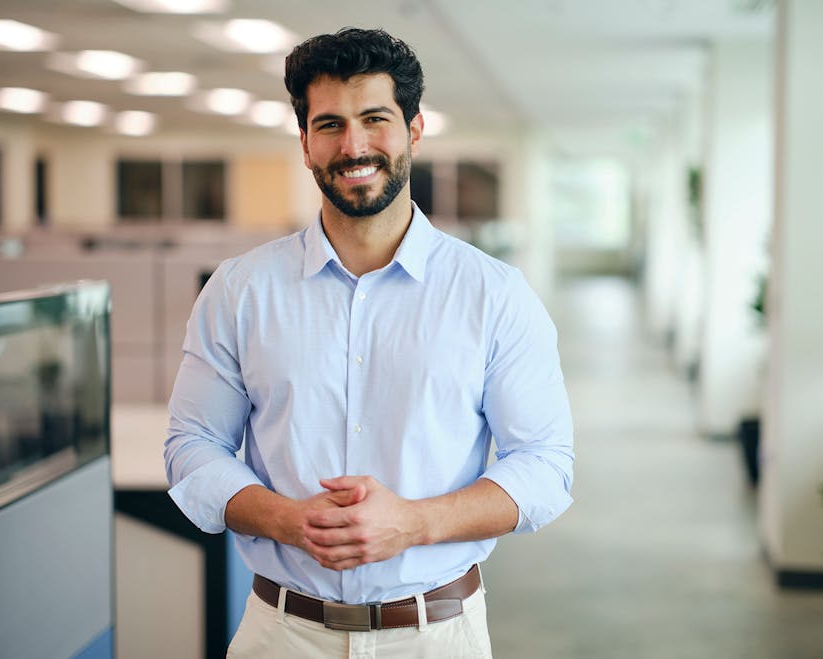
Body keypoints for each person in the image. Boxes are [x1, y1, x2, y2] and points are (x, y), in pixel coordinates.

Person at [165, 27, 574, 658]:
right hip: (282, 634)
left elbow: (545, 466)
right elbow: (193, 446)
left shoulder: (494, 294)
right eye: (329, 124)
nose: (353, 145)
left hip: (437, 636)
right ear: (304, 144)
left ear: (413, 129)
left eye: (374, 119)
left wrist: (413, 523)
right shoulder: (239, 291)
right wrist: (289, 521)